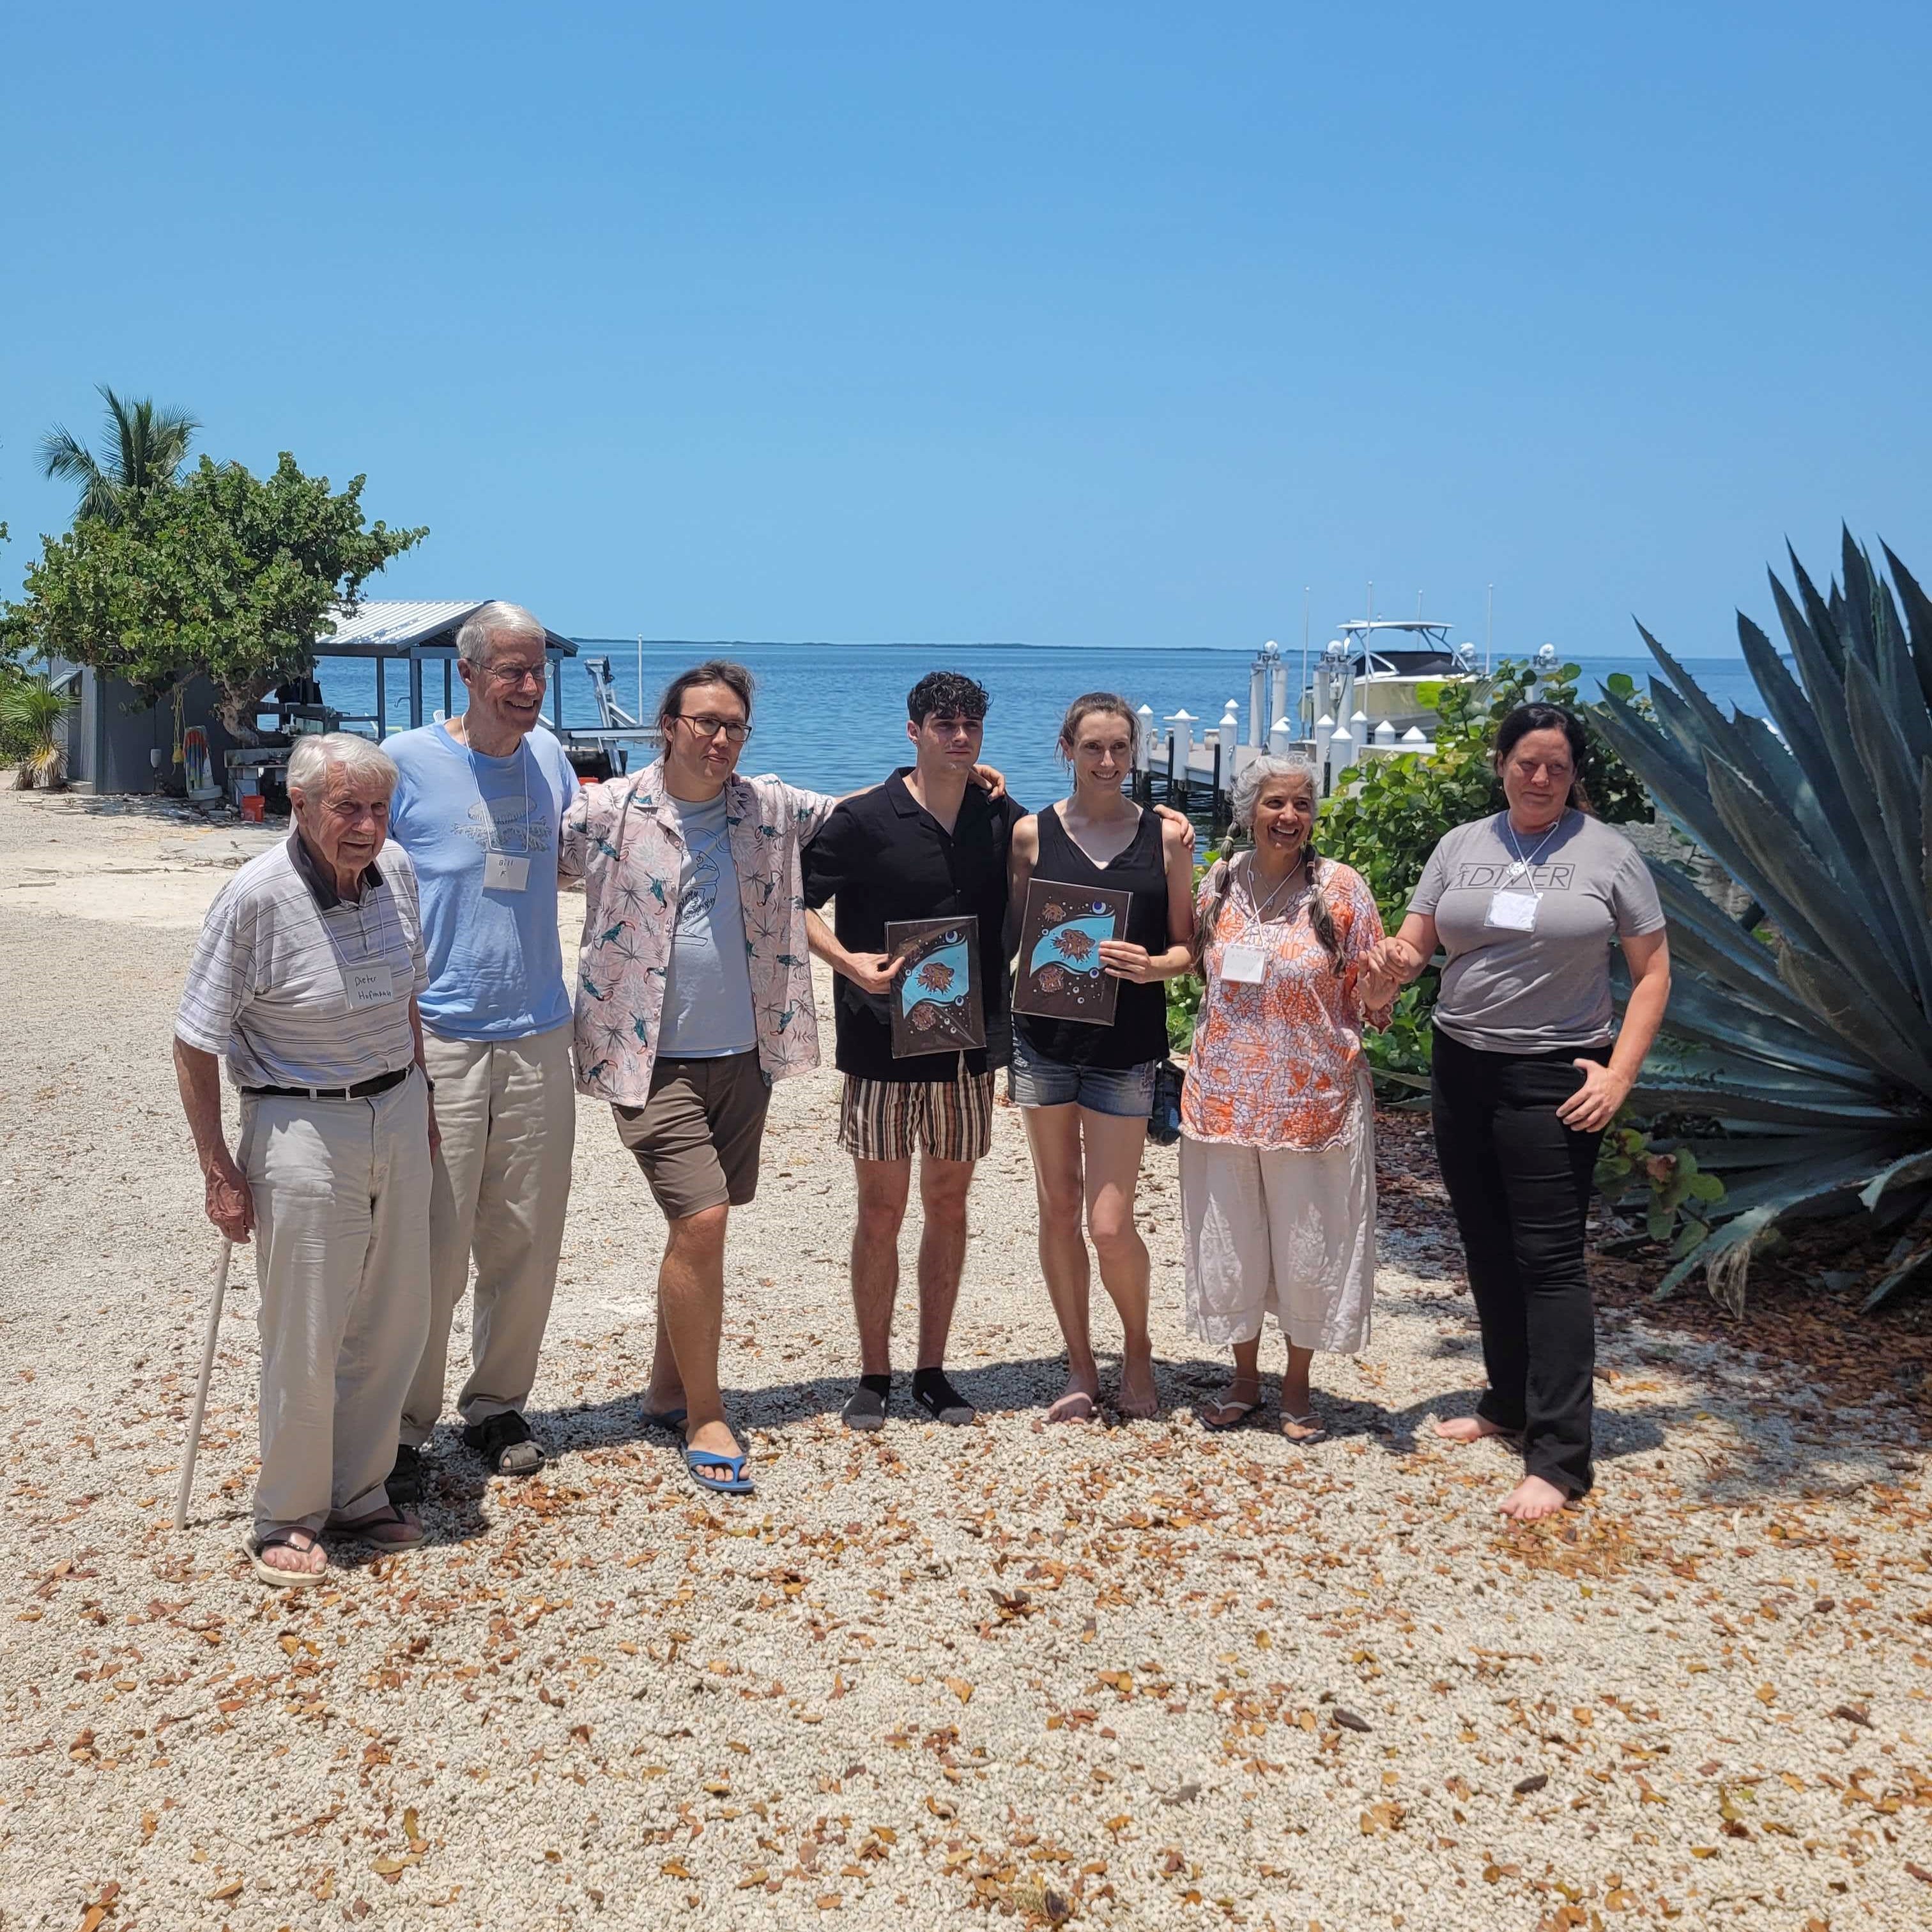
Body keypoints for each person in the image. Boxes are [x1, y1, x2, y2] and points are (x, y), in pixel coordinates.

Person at [1362, 702, 1671, 1521]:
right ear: (1501, 764)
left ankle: (1561, 1458)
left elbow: (1652, 975)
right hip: (1461, 1063)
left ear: (1576, 776)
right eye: (1527, 763)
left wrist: (1618, 1077)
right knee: (1486, 1243)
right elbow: (1416, 941)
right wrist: (1391, 966)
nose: (1540, 778)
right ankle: (1508, 1404)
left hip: (1554, 1075)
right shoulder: (1462, 845)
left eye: (1558, 767)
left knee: (1550, 1259)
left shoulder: (1610, 855)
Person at [560, 661, 844, 1499]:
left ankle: (662, 1387)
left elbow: (874, 818)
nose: (719, 738)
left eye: (734, 726)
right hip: (647, 1060)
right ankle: (706, 1415)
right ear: (668, 724)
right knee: (705, 1218)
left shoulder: (768, 808)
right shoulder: (608, 812)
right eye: (704, 721)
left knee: (700, 1227)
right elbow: (514, 852)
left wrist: (963, 779)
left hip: (747, 1054)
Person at [172, 733, 434, 1586]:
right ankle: (286, 1514)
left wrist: (423, 1096)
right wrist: (219, 1171)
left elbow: (410, 999)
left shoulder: (396, 869)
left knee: (395, 1315)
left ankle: (359, 1490)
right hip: (299, 1122)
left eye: (377, 808)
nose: (365, 827)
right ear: (301, 805)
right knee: (307, 1331)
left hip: (396, 1106)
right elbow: (194, 1039)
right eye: (346, 808)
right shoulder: (255, 896)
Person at [383, 603, 580, 1498]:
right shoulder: (406, 763)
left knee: (526, 1238)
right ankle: (400, 1428)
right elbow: (344, 870)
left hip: (539, 1031)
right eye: (512, 671)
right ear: (468, 674)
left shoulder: (549, 760)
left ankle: (496, 1405)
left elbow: (625, 833)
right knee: (431, 1242)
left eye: (538, 671)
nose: (530, 688)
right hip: (442, 1039)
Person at [802, 672, 1027, 1432]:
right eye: (944, 725)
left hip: (968, 1050)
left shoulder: (1000, 819)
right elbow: (787, 901)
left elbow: (1077, 842)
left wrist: (1169, 825)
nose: (959, 737)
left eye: (970, 726)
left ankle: (932, 1369)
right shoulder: (862, 818)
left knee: (950, 1204)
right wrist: (845, 962)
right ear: (913, 731)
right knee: (880, 1211)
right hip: (878, 1044)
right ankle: (873, 1373)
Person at [1179, 756, 1388, 1439]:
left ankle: (1296, 1387)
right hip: (1224, 1097)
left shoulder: (1341, 890)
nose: (1289, 817)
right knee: (1230, 1241)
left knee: (1311, 1243)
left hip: (1314, 1101)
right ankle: (1244, 1380)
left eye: (1301, 804)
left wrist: (1394, 979)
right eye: (1274, 803)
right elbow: (1193, 961)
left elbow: (1372, 997)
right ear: (1249, 809)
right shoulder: (1218, 881)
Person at [1006, 693, 1196, 1422]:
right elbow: (1012, 940)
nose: (1108, 762)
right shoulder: (1030, 835)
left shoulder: (1168, 840)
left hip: (1127, 1050)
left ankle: (1138, 1349)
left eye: (1120, 748)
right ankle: (1080, 1366)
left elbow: (1189, 947)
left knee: (1111, 1225)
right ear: (1067, 750)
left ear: (1135, 752)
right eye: (1093, 748)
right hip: (1044, 1044)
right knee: (1057, 1209)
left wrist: (1155, 967)